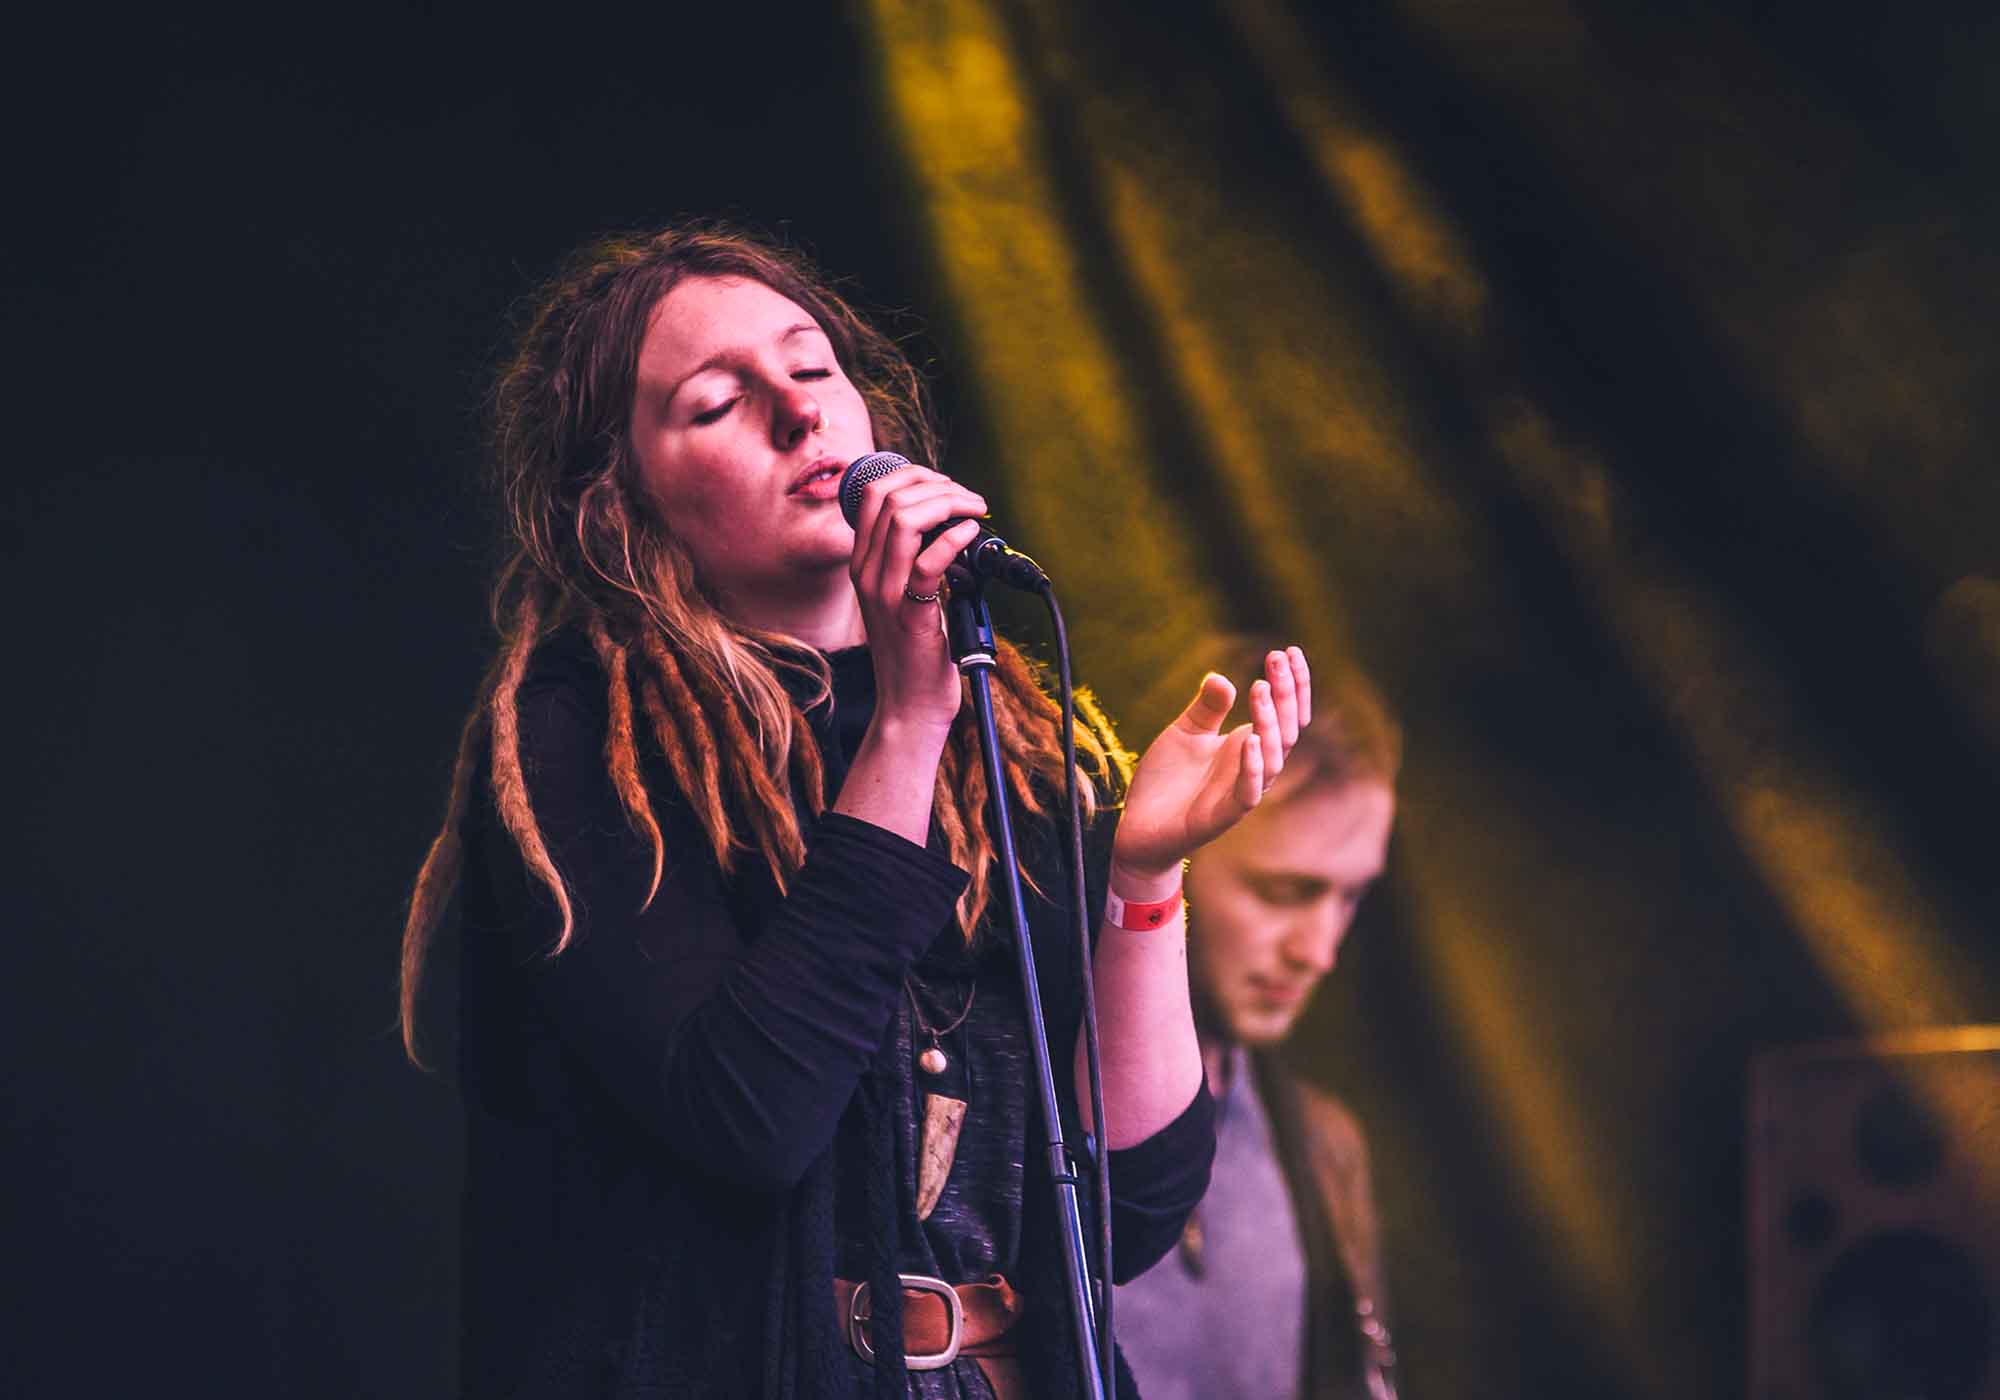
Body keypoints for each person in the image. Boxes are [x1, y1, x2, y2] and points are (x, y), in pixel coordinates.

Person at [396, 223, 1316, 1399]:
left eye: (811, 366)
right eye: (717, 402)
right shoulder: (579, 732)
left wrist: (1141, 876)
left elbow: (1123, 1215)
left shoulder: (1012, 743)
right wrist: (906, 725)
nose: (797, 412)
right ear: (617, 504)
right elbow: (750, 1116)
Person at [1113, 637, 1402, 1400]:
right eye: (1284, 892)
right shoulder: (1015, 1119)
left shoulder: (1325, 1150)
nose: (1320, 952)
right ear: (1175, 841)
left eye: (1349, 897)